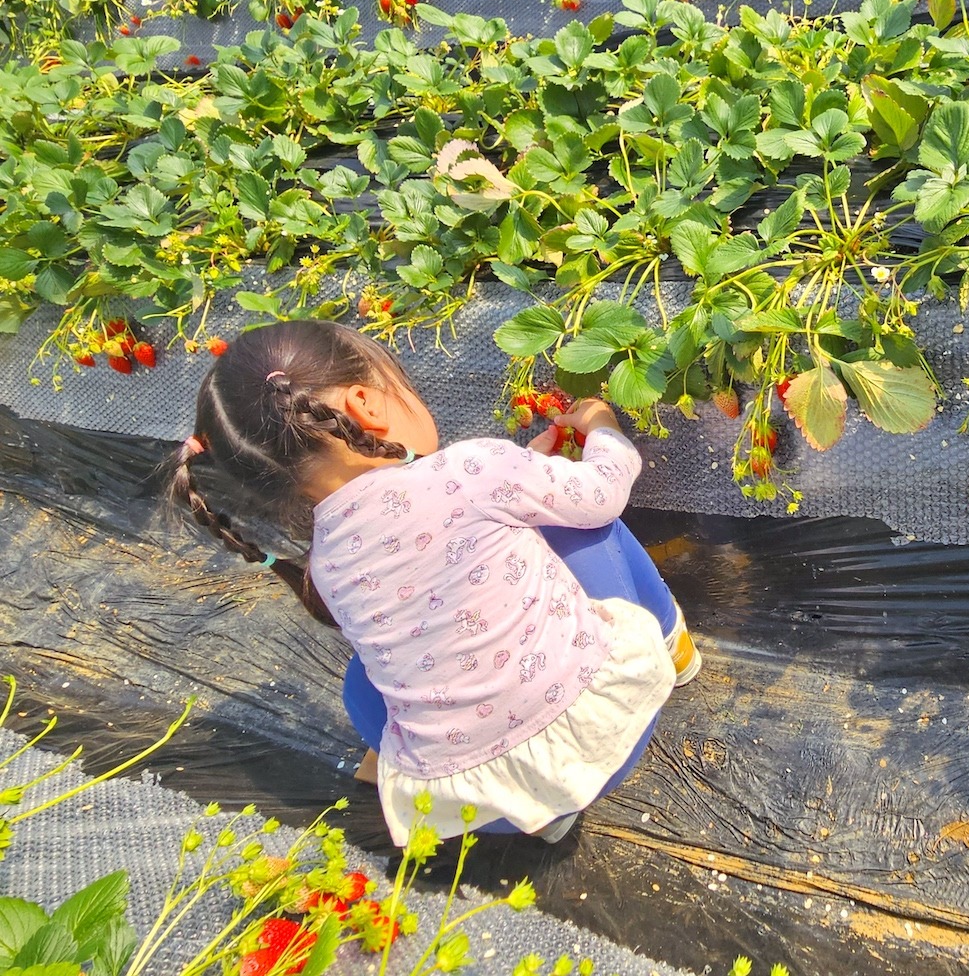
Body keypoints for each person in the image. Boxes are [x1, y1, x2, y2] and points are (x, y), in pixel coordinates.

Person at [163, 320, 700, 846]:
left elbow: (439, 534)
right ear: (366, 406)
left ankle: (541, 816)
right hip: (605, 738)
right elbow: (600, 491)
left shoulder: (322, 562)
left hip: (467, 807)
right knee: (591, 525)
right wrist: (603, 427)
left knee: (361, 684)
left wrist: (523, 468)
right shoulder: (473, 468)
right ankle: (672, 649)